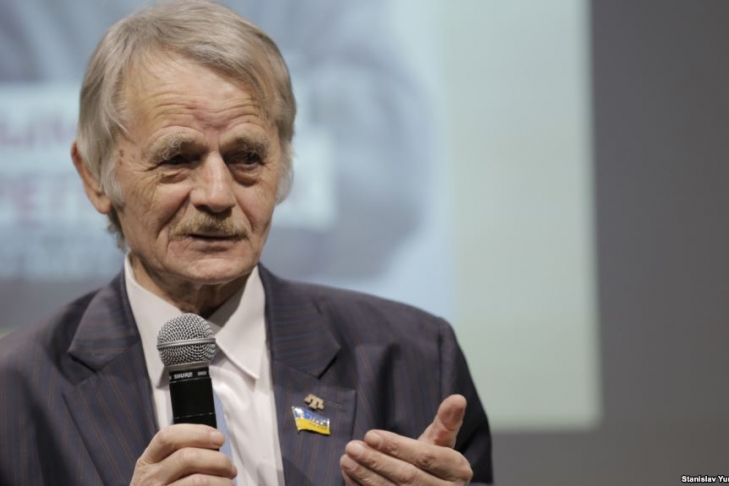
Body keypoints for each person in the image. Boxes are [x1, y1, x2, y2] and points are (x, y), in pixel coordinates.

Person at [0, 1, 492, 484]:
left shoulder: (414, 360)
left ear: (286, 169)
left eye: (247, 157)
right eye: (178, 158)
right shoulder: (16, 389)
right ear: (94, 176)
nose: (217, 195)